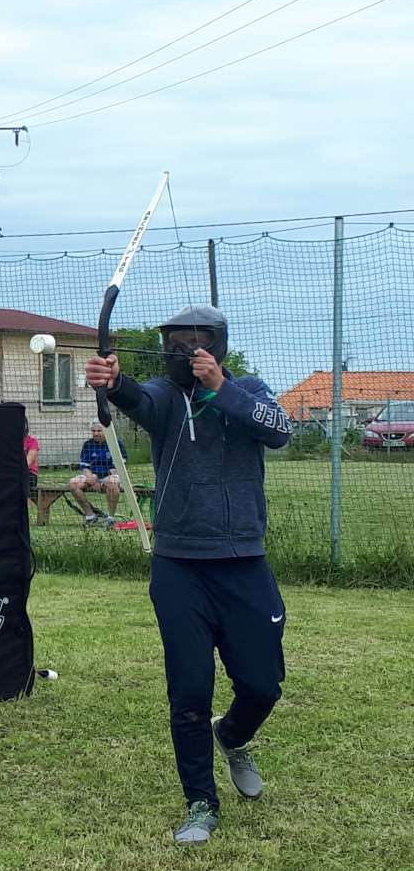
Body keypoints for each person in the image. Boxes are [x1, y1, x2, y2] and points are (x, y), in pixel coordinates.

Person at [85, 304, 292, 846]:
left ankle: (234, 735)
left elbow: (279, 432)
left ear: (218, 344)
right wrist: (114, 382)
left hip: (243, 561)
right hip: (179, 566)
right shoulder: (164, 395)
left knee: (263, 684)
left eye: (195, 340)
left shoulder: (249, 389)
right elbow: (138, 399)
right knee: (190, 691)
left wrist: (221, 388)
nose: (183, 350)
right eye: (174, 342)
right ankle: (201, 801)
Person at [68, 420, 124, 525]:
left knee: (112, 483)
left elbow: (118, 467)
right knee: (73, 483)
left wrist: (97, 477)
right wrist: (90, 478)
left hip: (110, 475)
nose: (96, 433)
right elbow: (84, 466)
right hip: (92, 476)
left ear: (106, 431)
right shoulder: (88, 445)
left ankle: (111, 518)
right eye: (93, 431)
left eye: (99, 431)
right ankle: (90, 515)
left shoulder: (116, 444)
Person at [24, 419, 41, 499]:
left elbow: (28, 462)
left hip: (30, 474)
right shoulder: (11, 442)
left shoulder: (32, 441)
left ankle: (25, 502)